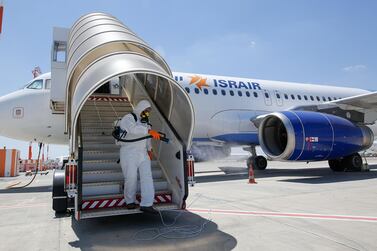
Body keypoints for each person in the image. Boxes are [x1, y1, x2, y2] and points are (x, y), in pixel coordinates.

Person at [118, 100, 161, 214]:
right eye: (145, 110)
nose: (147, 113)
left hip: (143, 153)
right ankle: (130, 201)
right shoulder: (129, 117)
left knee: (147, 178)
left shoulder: (146, 122)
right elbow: (132, 130)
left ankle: (147, 204)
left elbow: (147, 138)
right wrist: (148, 130)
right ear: (140, 108)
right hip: (129, 152)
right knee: (131, 177)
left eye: (148, 111)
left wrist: (149, 149)